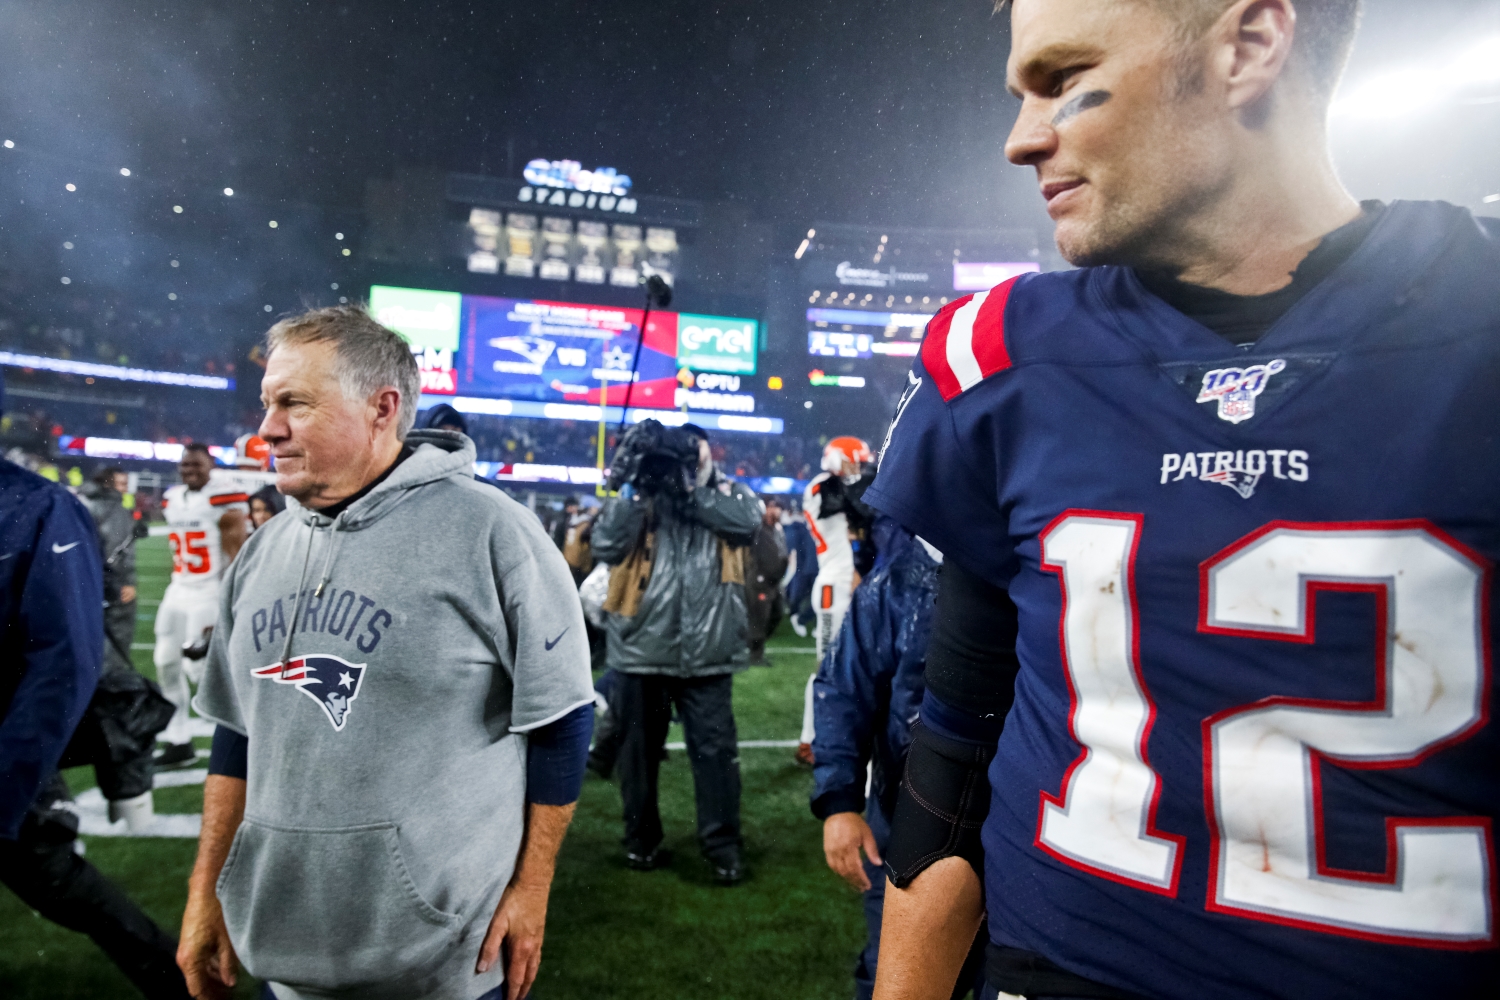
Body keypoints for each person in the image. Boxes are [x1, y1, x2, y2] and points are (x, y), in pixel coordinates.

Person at [868, 2, 1500, 998]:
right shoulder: (1002, 358)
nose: (1021, 137)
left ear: (1249, 46)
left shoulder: (1477, 328)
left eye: (1062, 78)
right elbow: (949, 752)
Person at [177, 306, 595, 1000]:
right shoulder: (262, 551)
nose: (266, 429)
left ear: (382, 407)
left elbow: (560, 719)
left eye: (294, 404)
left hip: (443, 963)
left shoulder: (494, 532)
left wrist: (532, 889)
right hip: (284, 950)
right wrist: (206, 892)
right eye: (266, 404)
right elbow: (235, 736)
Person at [1, 415, 192, 1000]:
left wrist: (9, 783)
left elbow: (66, 665)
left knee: (61, 881)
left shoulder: (38, 506)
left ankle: (176, 981)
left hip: (10, 752)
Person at [811, 521, 983, 1000]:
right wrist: (839, 802)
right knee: (899, 976)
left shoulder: (1030, 571)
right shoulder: (893, 585)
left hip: (1017, 826)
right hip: (908, 816)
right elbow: (845, 691)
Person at [591, 420, 761, 884]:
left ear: (710, 452)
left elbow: (747, 523)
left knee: (716, 756)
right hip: (642, 648)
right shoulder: (641, 497)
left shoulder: (729, 493)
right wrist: (633, 490)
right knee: (638, 757)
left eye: (694, 447)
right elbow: (604, 544)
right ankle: (640, 842)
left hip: (708, 653)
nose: (687, 458)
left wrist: (692, 492)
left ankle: (723, 846)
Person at [153, 443, 249, 769]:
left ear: (211, 466)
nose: (189, 471)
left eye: (196, 465)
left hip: (209, 592)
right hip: (178, 589)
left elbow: (238, 551)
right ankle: (178, 739)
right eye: (185, 466)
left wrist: (230, 599)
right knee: (165, 662)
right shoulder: (172, 497)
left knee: (199, 670)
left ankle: (243, 734)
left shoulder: (224, 496)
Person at [799, 436, 876, 765]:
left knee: (852, 667)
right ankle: (810, 740)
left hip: (848, 585)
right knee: (828, 668)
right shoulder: (821, 488)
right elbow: (850, 500)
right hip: (834, 588)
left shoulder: (838, 491)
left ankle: (830, 736)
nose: (858, 471)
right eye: (853, 463)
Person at [81, 467, 139, 674]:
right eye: (121, 484)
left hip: (86, 581)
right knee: (115, 646)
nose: (125, 489)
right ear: (108, 484)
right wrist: (127, 582)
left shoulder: (84, 502)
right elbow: (119, 550)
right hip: (111, 584)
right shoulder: (113, 509)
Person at [745, 497, 789, 665]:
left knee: (776, 614)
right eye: (771, 507)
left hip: (775, 581)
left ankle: (756, 648)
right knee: (758, 618)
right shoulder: (758, 528)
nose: (775, 510)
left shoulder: (778, 529)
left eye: (778, 507)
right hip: (760, 580)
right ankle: (754, 654)